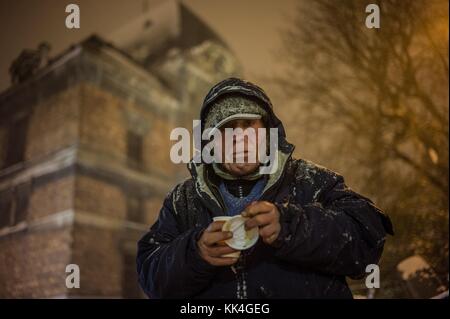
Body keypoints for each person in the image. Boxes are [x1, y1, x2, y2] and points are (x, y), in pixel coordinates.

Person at [136, 77, 394, 298]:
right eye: (226, 127)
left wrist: (291, 227)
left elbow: (367, 240)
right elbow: (151, 277)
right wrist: (196, 252)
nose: (239, 137)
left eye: (248, 124)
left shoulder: (312, 181)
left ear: (268, 132)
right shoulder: (183, 199)